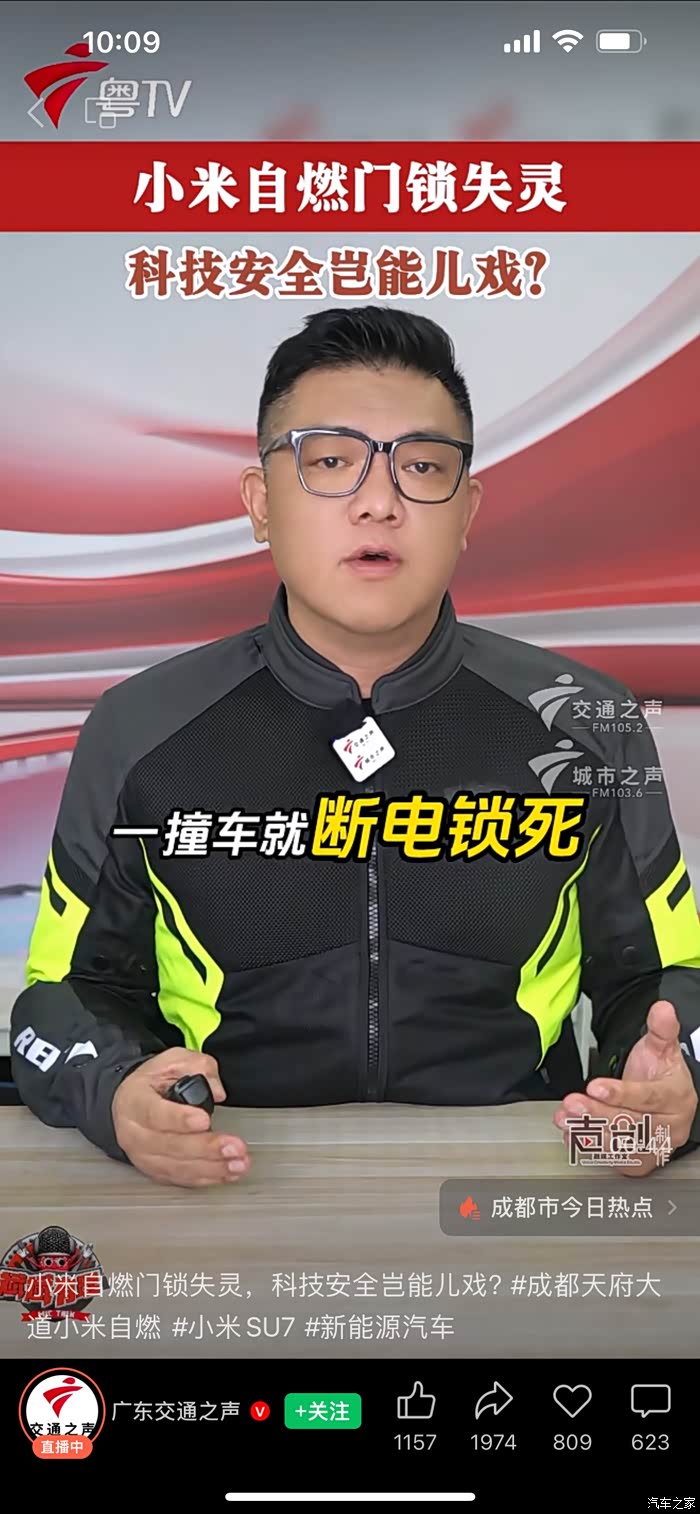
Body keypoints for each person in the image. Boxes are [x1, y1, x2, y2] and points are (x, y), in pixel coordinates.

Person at [10, 306, 700, 1188]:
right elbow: (65, 996)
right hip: (230, 1176)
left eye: (423, 466)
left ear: (467, 511)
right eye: (331, 462)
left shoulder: (589, 723)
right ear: (261, 503)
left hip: (512, 1172)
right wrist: (115, 1092)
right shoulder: (140, 728)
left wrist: (674, 1091)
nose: (380, 502)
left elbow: (663, 977)